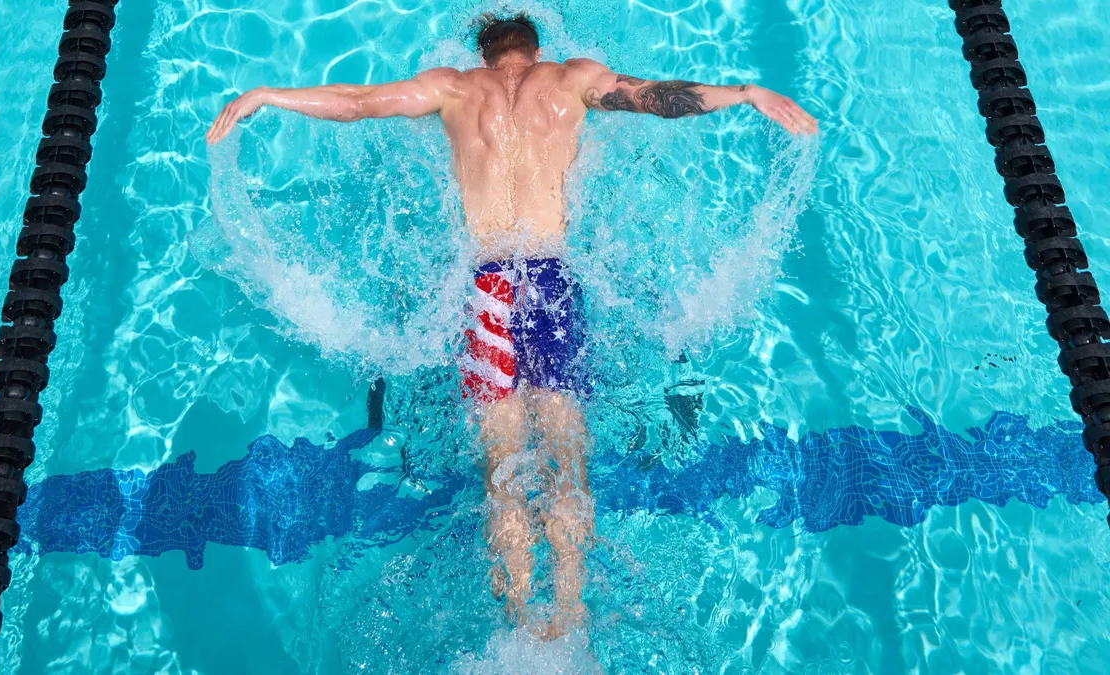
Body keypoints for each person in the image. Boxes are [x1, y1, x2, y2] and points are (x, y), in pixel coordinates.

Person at [206, 13, 817, 639]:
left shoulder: (453, 88)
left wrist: (266, 95)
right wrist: (747, 93)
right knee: (564, 458)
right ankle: (572, 617)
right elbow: (657, 98)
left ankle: (521, 625)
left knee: (502, 467)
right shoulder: (573, 79)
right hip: (550, 281)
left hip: (486, 288)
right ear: (535, 48)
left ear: (483, 53)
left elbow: (358, 103)